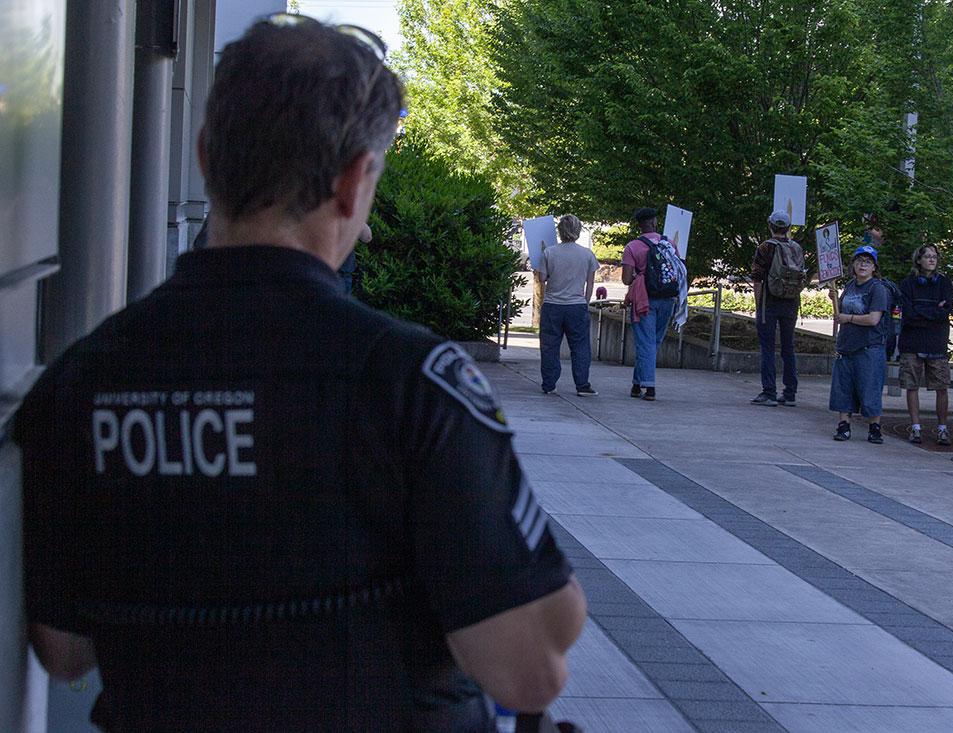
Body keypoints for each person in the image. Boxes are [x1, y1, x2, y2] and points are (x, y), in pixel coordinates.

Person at [13, 15, 585, 731]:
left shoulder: (78, 381)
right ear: (351, 184)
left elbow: (63, 652)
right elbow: (530, 665)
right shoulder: (410, 380)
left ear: (204, 155)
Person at [621, 206, 687, 401]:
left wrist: (637, 275)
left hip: (644, 299)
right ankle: (636, 384)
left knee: (645, 343)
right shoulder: (669, 244)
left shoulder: (632, 247)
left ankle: (649, 387)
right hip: (668, 299)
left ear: (640, 225)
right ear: (655, 222)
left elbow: (625, 279)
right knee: (653, 342)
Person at [830, 245, 889, 443]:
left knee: (870, 388)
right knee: (843, 387)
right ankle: (844, 425)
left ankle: (875, 427)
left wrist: (848, 318)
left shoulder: (877, 289)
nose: (863, 265)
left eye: (868, 262)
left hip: (869, 347)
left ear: (874, 267)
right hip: (847, 345)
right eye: (859, 261)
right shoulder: (849, 286)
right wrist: (834, 299)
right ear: (853, 264)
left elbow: (873, 319)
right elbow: (840, 313)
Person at [898, 244, 953, 445]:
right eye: (927, 256)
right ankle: (915, 427)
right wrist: (932, 310)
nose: (931, 260)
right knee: (912, 385)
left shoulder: (944, 283)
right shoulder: (908, 284)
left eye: (934, 256)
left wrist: (923, 310)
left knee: (941, 386)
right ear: (918, 260)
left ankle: (942, 428)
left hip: (937, 342)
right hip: (912, 341)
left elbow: (945, 310)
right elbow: (908, 313)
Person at [538, 214, 599, 396]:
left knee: (549, 346)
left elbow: (542, 278)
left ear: (560, 231)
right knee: (580, 346)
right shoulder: (587, 255)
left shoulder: (549, 252)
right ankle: (582, 385)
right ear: (578, 230)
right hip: (576, 305)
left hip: (552, 305)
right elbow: (590, 284)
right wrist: (585, 302)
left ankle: (549, 384)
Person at [750, 210, 804, 406]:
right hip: (791, 301)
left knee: (768, 347)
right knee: (788, 347)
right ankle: (790, 393)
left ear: (770, 226)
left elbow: (757, 276)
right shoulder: (796, 248)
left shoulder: (765, 247)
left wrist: (758, 302)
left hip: (769, 301)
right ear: (789, 228)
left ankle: (769, 392)